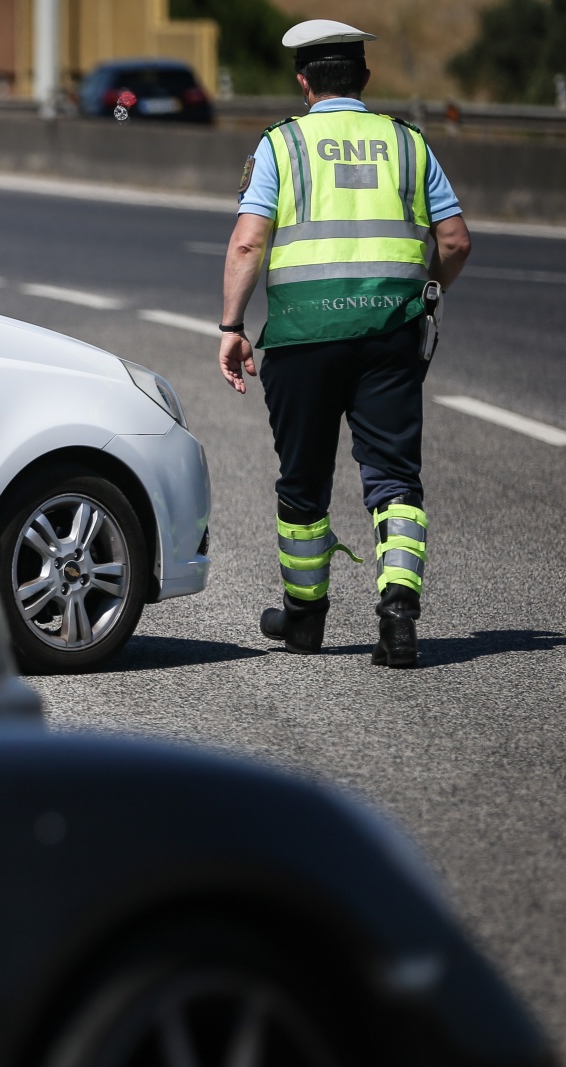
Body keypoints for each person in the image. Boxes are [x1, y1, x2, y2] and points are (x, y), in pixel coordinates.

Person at [217, 19, 471, 668]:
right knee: (393, 481)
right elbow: (455, 241)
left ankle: (304, 619)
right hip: (389, 335)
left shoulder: (284, 145)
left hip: (301, 341)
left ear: (304, 82)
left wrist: (231, 326)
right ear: (365, 77)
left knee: (303, 485)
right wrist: (430, 294)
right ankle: (399, 617)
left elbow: (249, 241)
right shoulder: (408, 143)